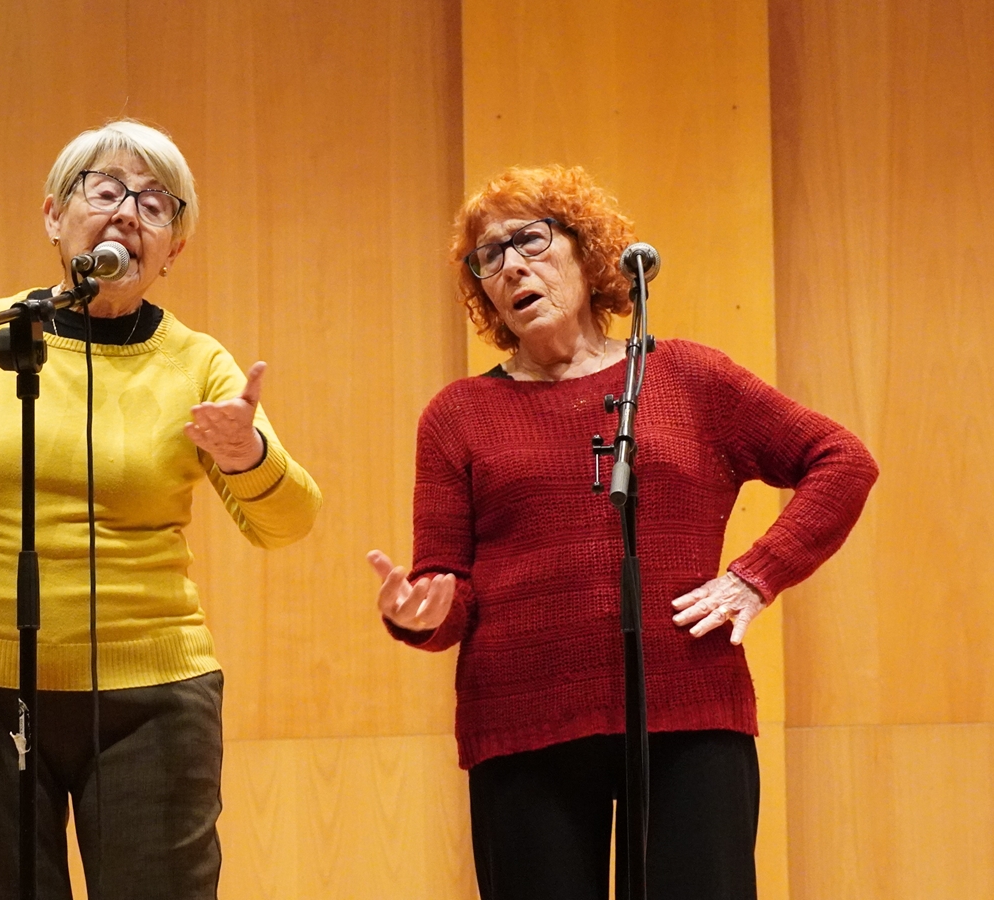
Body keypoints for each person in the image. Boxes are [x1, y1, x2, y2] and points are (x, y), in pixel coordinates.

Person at [0, 119, 322, 900]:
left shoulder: (197, 363)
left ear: (173, 251)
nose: (128, 212)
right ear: (54, 217)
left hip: (151, 707)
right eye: (106, 190)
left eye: (156, 204)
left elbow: (288, 521)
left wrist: (247, 455)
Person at [367, 164, 878, 900]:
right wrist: (422, 613)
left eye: (530, 240)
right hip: (523, 723)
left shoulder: (691, 377)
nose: (511, 266)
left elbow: (842, 460)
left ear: (588, 251)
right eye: (489, 256)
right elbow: (449, 590)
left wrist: (754, 576)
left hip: (688, 710)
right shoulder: (457, 416)